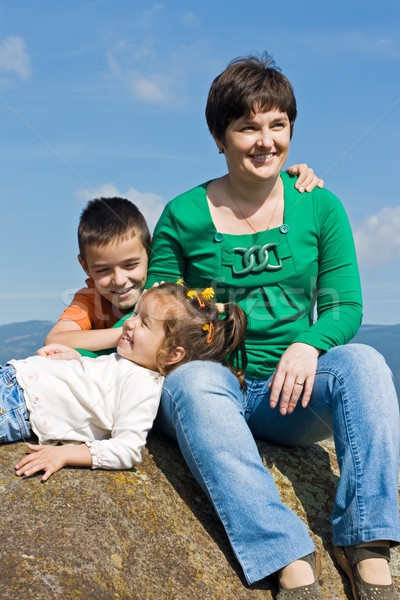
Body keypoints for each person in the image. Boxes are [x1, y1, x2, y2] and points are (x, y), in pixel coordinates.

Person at [142, 54, 400, 599]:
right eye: (247, 127)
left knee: (367, 364)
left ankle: (367, 544)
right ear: (219, 137)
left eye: (277, 125)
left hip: (294, 395)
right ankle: (288, 559)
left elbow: (345, 307)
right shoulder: (181, 215)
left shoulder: (320, 205)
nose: (265, 140)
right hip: (213, 391)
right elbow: (156, 311)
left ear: (291, 130)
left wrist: (309, 345)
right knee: (190, 381)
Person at [1, 282, 247, 482]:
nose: (129, 322)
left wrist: (65, 454)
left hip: (16, 406)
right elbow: (98, 380)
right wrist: (72, 358)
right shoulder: (129, 359)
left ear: (173, 354)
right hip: (13, 380)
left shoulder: (143, 384)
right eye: (136, 313)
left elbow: (127, 450)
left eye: (144, 323)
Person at [45, 197, 151, 352]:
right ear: (85, 266)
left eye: (130, 265)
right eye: (103, 270)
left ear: (150, 250)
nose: (119, 280)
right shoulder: (90, 298)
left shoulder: (164, 283)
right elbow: (54, 339)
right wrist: (128, 332)